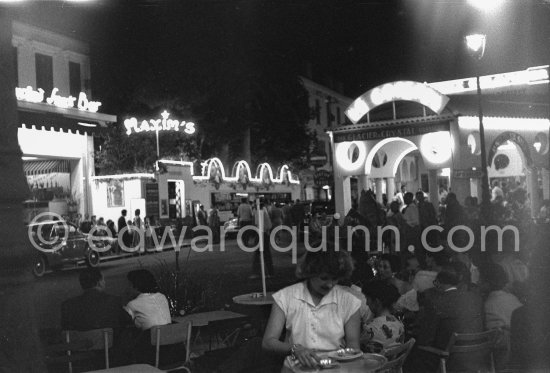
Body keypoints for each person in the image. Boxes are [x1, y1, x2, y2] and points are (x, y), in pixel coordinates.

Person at [262, 248, 361, 369]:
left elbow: (353, 346)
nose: (330, 284)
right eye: (324, 278)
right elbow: (268, 342)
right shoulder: (285, 297)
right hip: (295, 369)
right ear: (309, 273)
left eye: (334, 279)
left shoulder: (349, 301)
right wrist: (294, 349)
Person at [406, 265, 483, 372]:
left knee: (412, 353)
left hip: (449, 362)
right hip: (476, 357)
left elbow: (424, 341)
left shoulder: (436, 303)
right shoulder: (475, 298)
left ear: (438, 283)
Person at [61, 268, 129, 331]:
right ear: (99, 282)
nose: (104, 282)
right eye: (103, 279)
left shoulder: (68, 306)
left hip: (82, 342)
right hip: (111, 342)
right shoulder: (115, 301)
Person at [360, 280, 405, 354]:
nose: (367, 303)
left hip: (373, 364)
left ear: (377, 302)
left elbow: (355, 347)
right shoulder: (400, 324)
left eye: (367, 299)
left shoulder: (371, 328)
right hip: (392, 364)